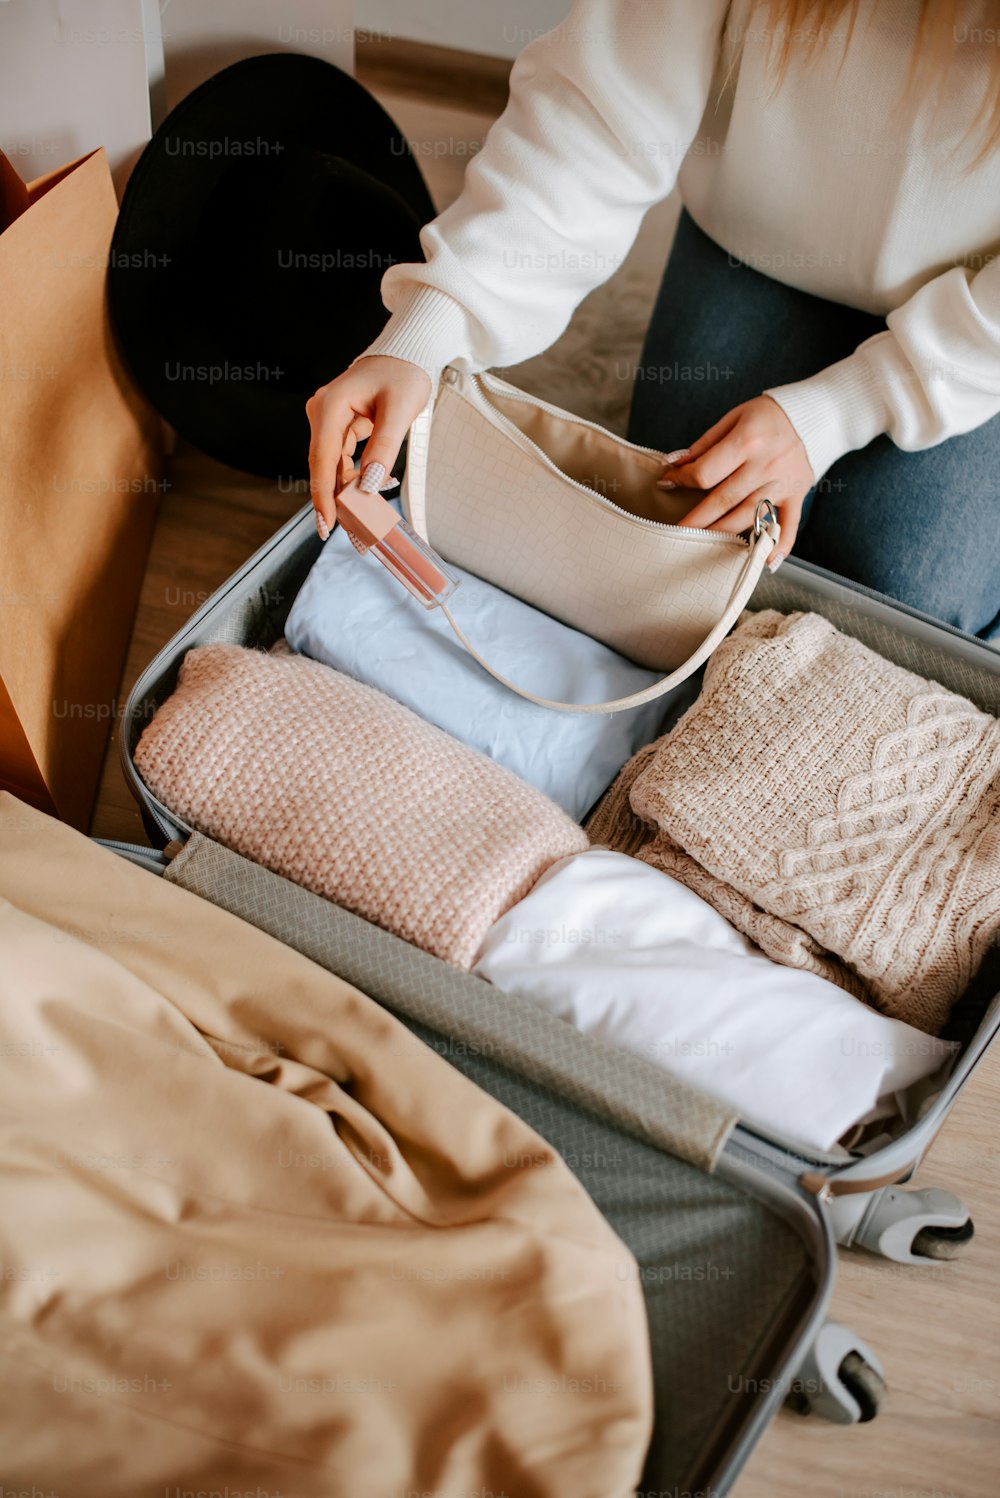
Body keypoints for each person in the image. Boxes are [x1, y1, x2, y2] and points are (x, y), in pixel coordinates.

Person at [306, 0, 1000, 640]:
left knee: (903, 608)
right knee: (672, 542)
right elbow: (597, 120)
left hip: (982, 308)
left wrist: (849, 406)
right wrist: (430, 326)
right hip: (755, 242)